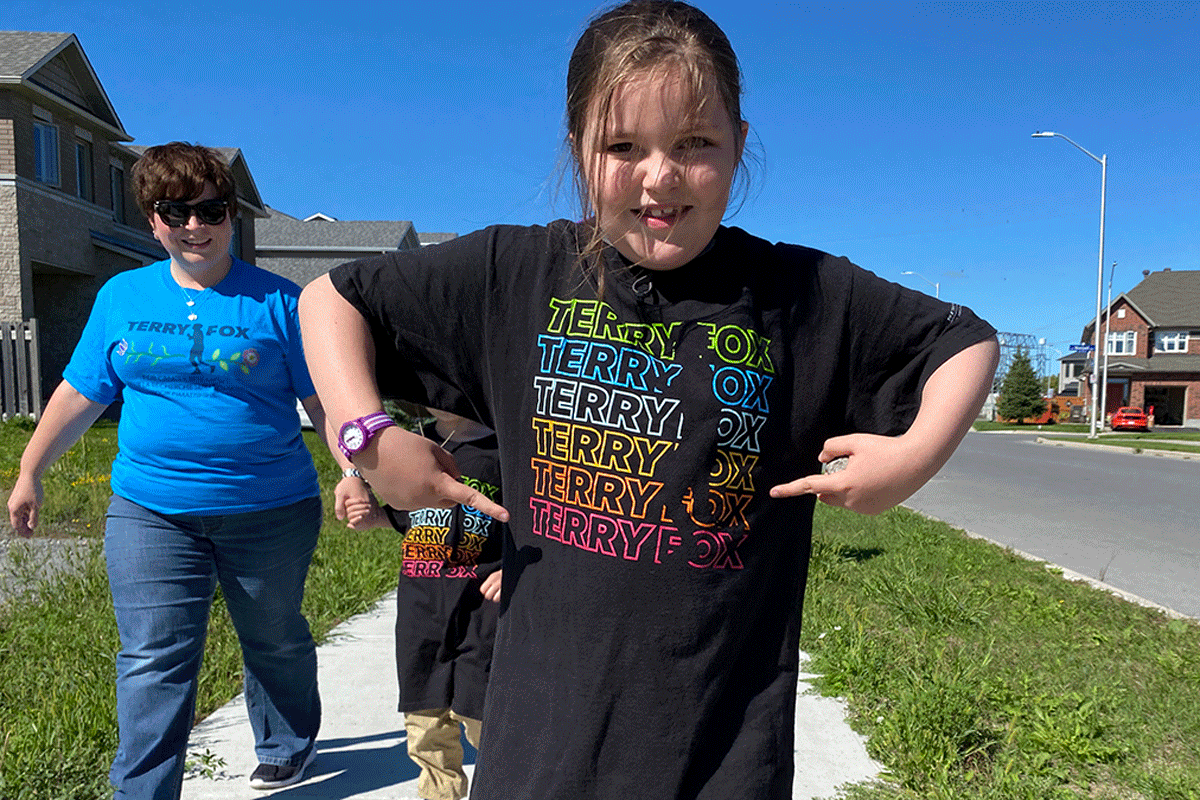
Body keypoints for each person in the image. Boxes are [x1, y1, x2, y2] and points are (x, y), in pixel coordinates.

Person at [298, 2, 1000, 797]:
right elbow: (331, 298)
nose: (659, 177)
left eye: (695, 143)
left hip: (719, 755)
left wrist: (911, 460)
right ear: (578, 150)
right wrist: (365, 436)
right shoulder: (512, 274)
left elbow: (964, 339)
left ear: (739, 141)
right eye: (622, 147)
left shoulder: (802, 294)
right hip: (540, 753)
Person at [6, 142, 370, 798]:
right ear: (152, 220)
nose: (195, 226)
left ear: (232, 215)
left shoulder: (279, 303)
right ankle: (142, 791)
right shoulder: (121, 296)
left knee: (274, 636)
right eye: (175, 212)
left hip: (271, 509)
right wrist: (30, 469)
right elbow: (82, 391)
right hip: (151, 509)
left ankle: (287, 740)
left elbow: (324, 399)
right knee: (152, 660)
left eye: (211, 210)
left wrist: (352, 470)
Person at [343, 407, 504, 800]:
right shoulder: (412, 443)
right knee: (424, 721)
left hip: (481, 607)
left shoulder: (506, 449)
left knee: (483, 716)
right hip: (421, 606)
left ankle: (504, 786)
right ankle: (437, 794)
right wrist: (375, 518)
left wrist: (519, 572)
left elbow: (538, 524)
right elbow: (410, 514)